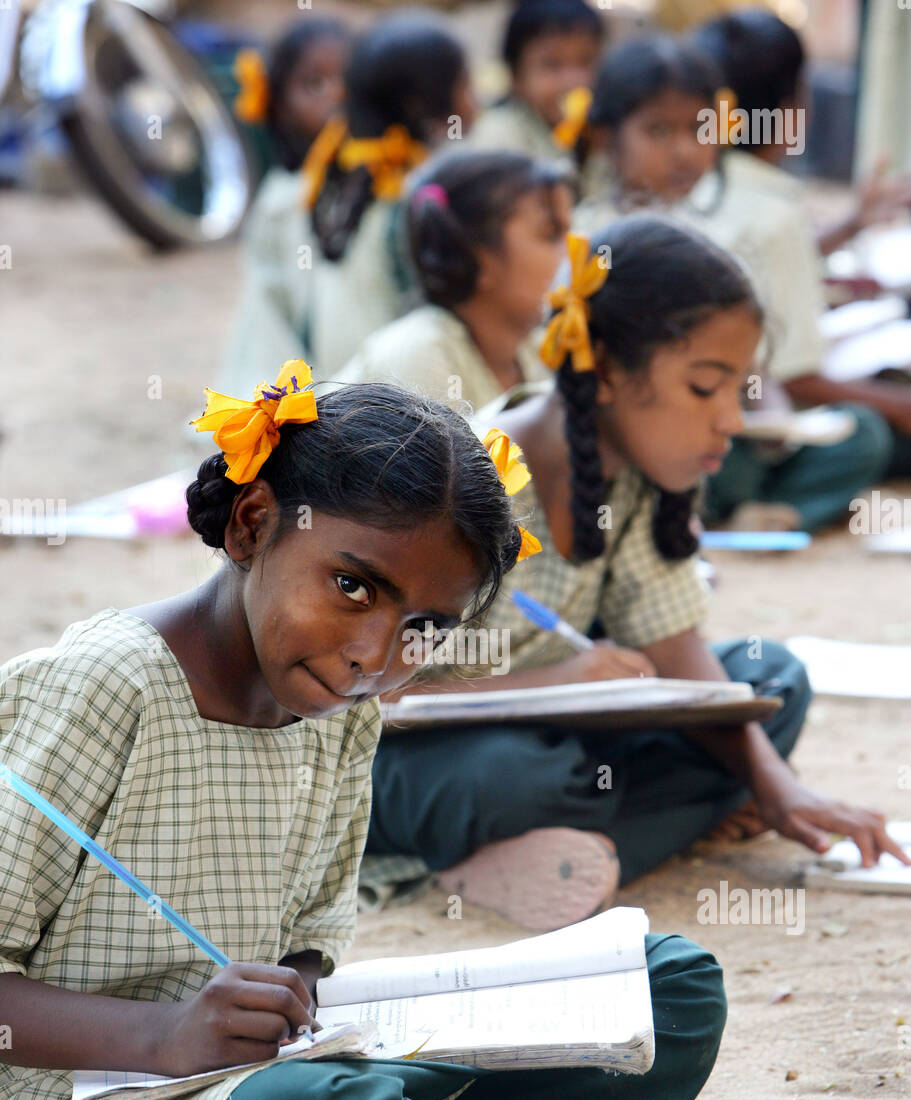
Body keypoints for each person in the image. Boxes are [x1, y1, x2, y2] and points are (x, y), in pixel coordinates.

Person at [0, 360, 786, 1100]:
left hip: (260, 1080)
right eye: (352, 586)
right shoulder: (105, 687)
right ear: (253, 526)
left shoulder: (342, 713)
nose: (377, 655)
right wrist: (167, 1035)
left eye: (424, 627)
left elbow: (306, 950)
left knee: (667, 992)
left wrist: (297, 1002)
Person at [366, 221, 908, 912]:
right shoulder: (461, 486)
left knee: (767, 683)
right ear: (612, 372)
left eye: (736, 390)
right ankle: (601, 840)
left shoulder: (644, 477)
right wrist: (552, 684)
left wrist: (779, 789)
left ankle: (566, 850)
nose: (730, 423)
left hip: (559, 735)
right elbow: (370, 699)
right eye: (704, 388)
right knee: (522, 776)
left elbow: (675, 647)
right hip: (411, 759)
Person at [575, 33, 891, 532]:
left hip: (729, 431)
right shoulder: (586, 236)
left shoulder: (725, 230)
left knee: (864, 436)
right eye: (658, 131)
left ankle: (768, 513)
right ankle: (708, 509)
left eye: (699, 129)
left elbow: (755, 363)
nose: (683, 150)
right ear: (607, 138)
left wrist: (777, 416)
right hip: (647, 433)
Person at [689, 8, 911, 478]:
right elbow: (797, 378)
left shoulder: (690, 183)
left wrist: (850, 226)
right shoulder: (778, 210)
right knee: (871, 434)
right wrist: (898, 404)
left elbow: (748, 258)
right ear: (794, 107)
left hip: (695, 426)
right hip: (735, 447)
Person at [222, 13, 477, 391]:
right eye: (314, 83)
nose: (336, 96)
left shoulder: (367, 187)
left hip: (353, 389)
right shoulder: (395, 197)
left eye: (345, 81)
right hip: (374, 393)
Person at [336, 149, 571, 412]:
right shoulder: (419, 357)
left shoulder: (535, 352)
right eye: (551, 235)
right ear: (480, 256)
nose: (573, 250)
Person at [468, 0, 606, 197]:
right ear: (516, 77)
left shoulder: (602, 131)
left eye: (586, 61)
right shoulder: (498, 135)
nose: (574, 80)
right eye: (552, 65)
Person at [233, 17, 350, 172]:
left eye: (348, 78)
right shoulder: (283, 192)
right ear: (280, 105)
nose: (338, 94)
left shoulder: (382, 176)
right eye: (315, 84)